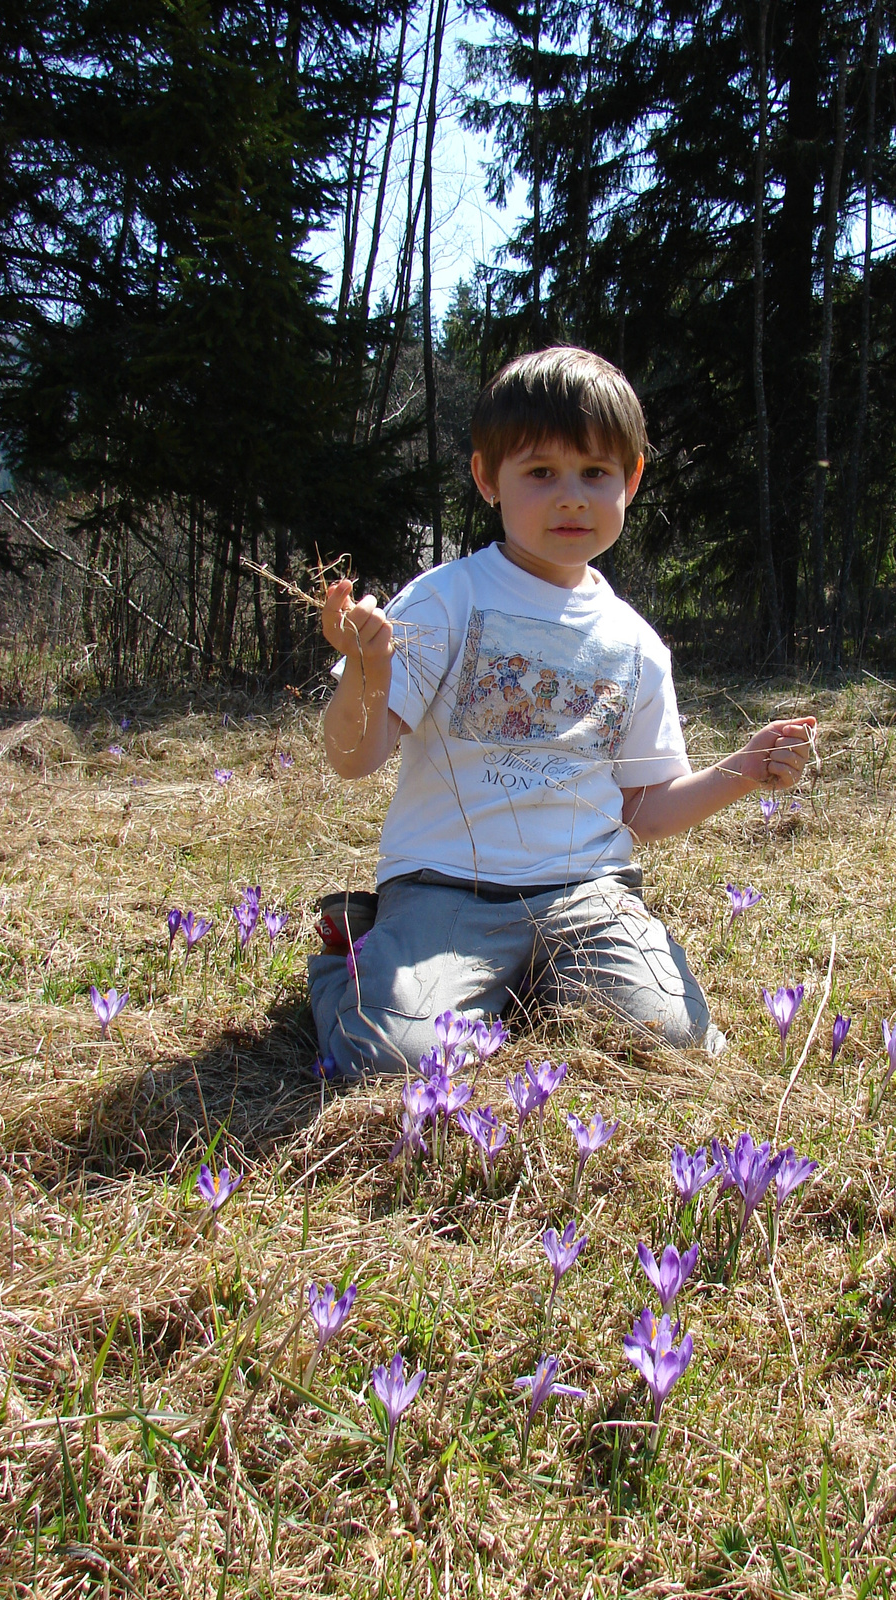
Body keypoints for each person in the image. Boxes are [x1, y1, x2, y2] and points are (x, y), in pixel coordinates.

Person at [310, 346, 815, 1076]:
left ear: (632, 478)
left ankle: (541, 981)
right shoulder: (443, 600)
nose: (570, 497)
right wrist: (367, 670)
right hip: (447, 890)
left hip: (588, 896)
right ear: (488, 477)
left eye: (594, 473)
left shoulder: (635, 643)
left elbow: (640, 810)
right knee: (394, 1057)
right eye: (540, 473)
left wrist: (742, 769)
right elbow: (352, 760)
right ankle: (354, 959)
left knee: (672, 1037)